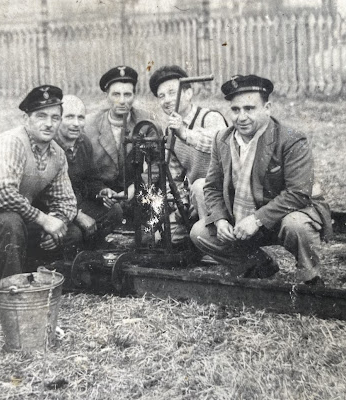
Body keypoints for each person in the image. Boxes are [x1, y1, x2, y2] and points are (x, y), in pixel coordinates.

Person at [190, 75, 332, 286]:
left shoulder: (291, 140)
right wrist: (220, 220)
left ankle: (311, 278)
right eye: (236, 110)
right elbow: (212, 187)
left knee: (297, 225)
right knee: (200, 233)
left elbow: (299, 193)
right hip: (241, 220)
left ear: (267, 107)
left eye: (250, 109)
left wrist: (256, 219)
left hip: (283, 216)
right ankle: (258, 265)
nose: (242, 117)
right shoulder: (222, 139)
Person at [0, 85, 79, 280]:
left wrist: (57, 222)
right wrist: (45, 220)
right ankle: (12, 287)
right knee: (9, 222)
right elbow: (2, 194)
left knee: (70, 232)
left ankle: (22, 267)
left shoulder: (58, 154)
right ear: (26, 119)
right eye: (41, 116)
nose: (49, 124)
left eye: (55, 118)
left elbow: (67, 202)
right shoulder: (12, 142)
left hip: (18, 218)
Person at [148, 65, 227, 245]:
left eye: (172, 93)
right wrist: (181, 204)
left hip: (224, 194)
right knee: (161, 238)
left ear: (188, 93)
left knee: (200, 186)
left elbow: (219, 143)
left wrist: (185, 133)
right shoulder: (170, 132)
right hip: (195, 200)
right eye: (161, 96)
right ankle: (197, 239)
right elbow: (175, 176)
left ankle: (218, 246)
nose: (167, 100)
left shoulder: (209, 117)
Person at [53, 94, 123, 247]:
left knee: (115, 211)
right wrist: (77, 215)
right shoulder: (50, 146)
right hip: (55, 210)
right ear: (57, 119)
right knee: (74, 234)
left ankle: (93, 251)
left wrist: (102, 191)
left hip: (78, 203)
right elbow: (46, 197)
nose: (76, 124)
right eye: (69, 117)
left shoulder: (83, 142)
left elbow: (92, 179)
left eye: (81, 118)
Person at [84, 66, 156, 212]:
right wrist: (101, 191)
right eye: (116, 94)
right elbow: (83, 172)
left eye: (127, 94)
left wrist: (134, 188)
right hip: (102, 198)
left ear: (134, 96)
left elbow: (157, 164)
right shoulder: (88, 125)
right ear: (106, 96)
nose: (122, 101)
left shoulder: (146, 122)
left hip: (136, 194)